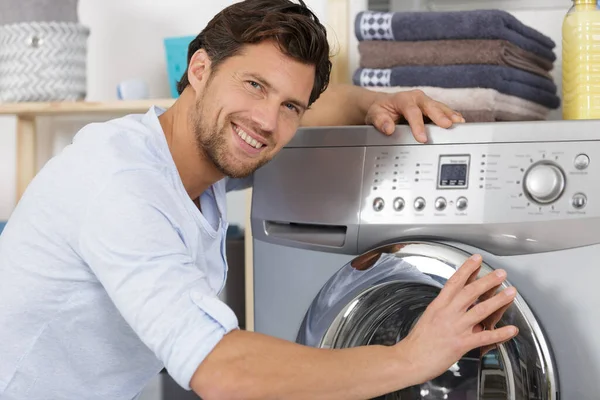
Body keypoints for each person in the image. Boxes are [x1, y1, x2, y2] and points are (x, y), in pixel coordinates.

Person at [0, 1, 519, 399]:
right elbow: (221, 371)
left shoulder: (198, 157)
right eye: (253, 84)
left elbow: (325, 101)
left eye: (289, 105)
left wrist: (375, 102)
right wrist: (412, 358)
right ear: (199, 70)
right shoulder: (121, 183)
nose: (268, 121)